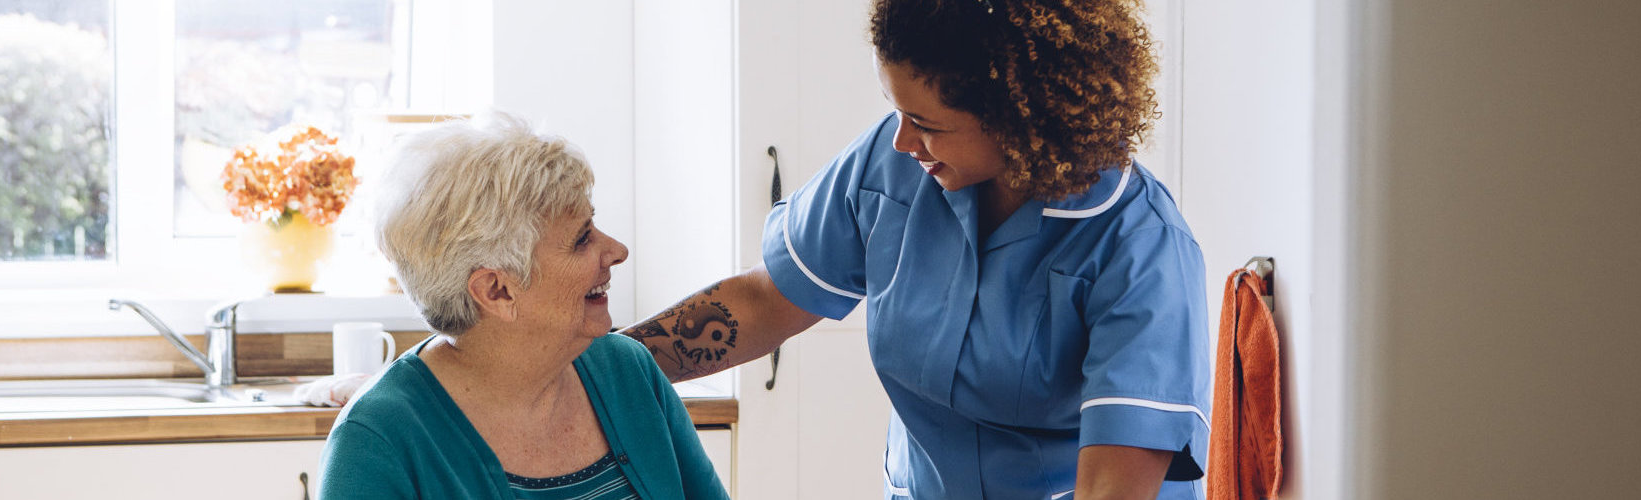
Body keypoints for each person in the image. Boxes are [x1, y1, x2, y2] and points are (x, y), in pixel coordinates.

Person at [621, 0, 1206, 498]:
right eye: (895, 111)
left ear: (1017, 115)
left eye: (924, 121)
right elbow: (764, 301)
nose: (901, 139)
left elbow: (1114, 488)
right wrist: (601, 364)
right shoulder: (894, 163)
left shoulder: (1142, 250)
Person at [319, 112, 728, 500]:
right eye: (582, 239)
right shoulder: (375, 440)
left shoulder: (629, 371)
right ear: (497, 290)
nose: (617, 251)